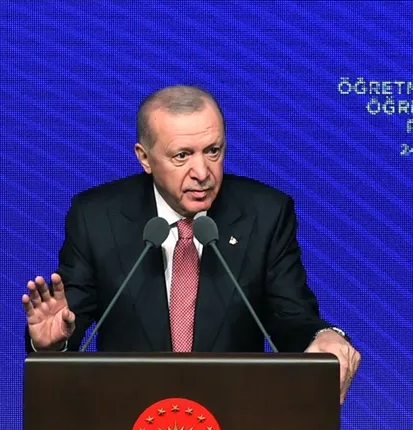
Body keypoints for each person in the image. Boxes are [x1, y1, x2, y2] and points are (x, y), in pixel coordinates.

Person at [22, 85, 361, 403]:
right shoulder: (97, 217)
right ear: (144, 158)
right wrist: (51, 344)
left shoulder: (265, 214)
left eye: (213, 151)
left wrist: (324, 336)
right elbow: (69, 321)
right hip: (129, 418)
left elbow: (291, 318)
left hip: (234, 418)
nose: (203, 172)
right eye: (182, 155)